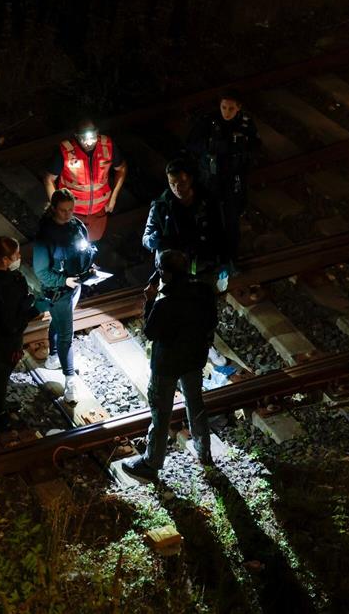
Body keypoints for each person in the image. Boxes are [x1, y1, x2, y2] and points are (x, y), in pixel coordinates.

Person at [122, 250, 217, 482]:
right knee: (196, 403)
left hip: (167, 365)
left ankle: (151, 463)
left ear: (164, 273)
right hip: (194, 359)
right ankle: (204, 453)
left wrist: (150, 302)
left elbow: (151, 332)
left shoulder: (165, 302)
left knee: (161, 412)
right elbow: (212, 321)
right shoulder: (203, 291)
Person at [0, 237, 50, 433]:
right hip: (8, 337)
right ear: (5, 260)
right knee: (1, 372)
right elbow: (12, 323)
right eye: (16, 255)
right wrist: (34, 309)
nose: (19, 258)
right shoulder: (9, 284)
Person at [187, 87, 262, 280]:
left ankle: (230, 260)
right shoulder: (209, 121)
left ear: (238, 108)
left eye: (230, 108)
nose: (226, 112)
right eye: (224, 107)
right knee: (210, 220)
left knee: (231, 221)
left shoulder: (245, 124)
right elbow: (192, 144)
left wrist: (243, 149)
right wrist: (210, 146)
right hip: (211, 180)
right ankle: (212, 259)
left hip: (233, 181)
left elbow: (256, 147)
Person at [33, 189, 96, 402]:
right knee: (66, 335)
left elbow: (84, 249)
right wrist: (63, 281)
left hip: (75, 285)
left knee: (58, 324)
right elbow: (41, 272)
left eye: (71, 209)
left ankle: (52, 358)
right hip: (59, 292)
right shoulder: (45, 237)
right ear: (53, 209)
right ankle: (70, 381)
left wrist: (89, 268)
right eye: (63, 210)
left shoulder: (76, 226)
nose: (68, 214)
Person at [43, 119, 128, 242]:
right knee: (69, 245)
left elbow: (122, 168)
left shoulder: (107, 146)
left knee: (93, 244)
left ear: (97, 133)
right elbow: (48, 179)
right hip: (72, 213)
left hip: (99, 213)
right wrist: (58, 208)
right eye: (84, 139)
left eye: (92, 138)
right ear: (76, 136)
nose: (88, 143)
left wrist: (113, 197)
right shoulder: (65, 151)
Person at [142, 157, 220, 285]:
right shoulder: (160, 206)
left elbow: (219, 231)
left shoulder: (206, 202)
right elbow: (146, 240)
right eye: (172, 184)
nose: (177, 189)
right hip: (172, 273)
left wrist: (222, 260)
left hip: (203, 268)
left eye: (181, 183)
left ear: (190, 179)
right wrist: (157, 239)